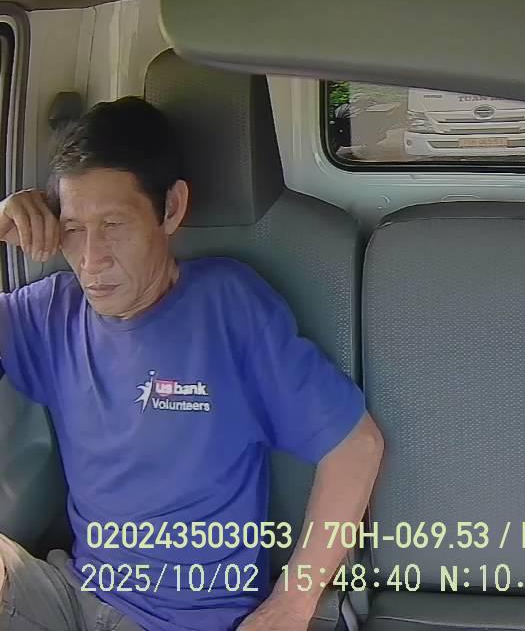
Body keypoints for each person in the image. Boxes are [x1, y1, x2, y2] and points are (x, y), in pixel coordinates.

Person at [0, 97, 385, 631]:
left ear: (171, 208)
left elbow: (356, 445)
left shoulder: (227, 308)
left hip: (184, 619)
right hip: (71, 594)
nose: (91, 259)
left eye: (113, 224)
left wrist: (292, 604)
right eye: (73, 228)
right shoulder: (48, 312)